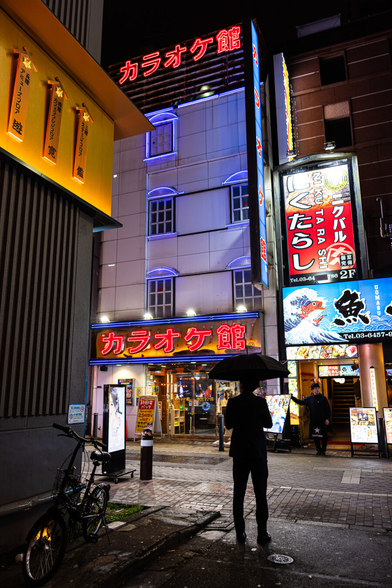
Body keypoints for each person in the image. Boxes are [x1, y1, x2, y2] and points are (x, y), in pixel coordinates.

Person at [225, 378, 273, 544]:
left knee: (239, 493)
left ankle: (240, 533)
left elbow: (228, 425)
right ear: (254, 386)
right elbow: (269, 423)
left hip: (239, 452)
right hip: (258, 452)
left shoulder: (233, 402)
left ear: (241, 385)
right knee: (261, 494)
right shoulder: (261, 402)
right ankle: (262, 534)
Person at [291, 382, 331, 455]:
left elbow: (327, 409)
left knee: (324, 436)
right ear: (312, 390)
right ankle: (318, 450)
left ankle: (323, 450)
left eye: (318, 388)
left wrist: (327, 419)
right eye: (315, 388)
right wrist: (293, 398)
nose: (317, 390)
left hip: (322, 420)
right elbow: (301, 402)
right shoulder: (309, 398)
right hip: (314, 420)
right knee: (316, 436)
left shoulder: (323, 398)